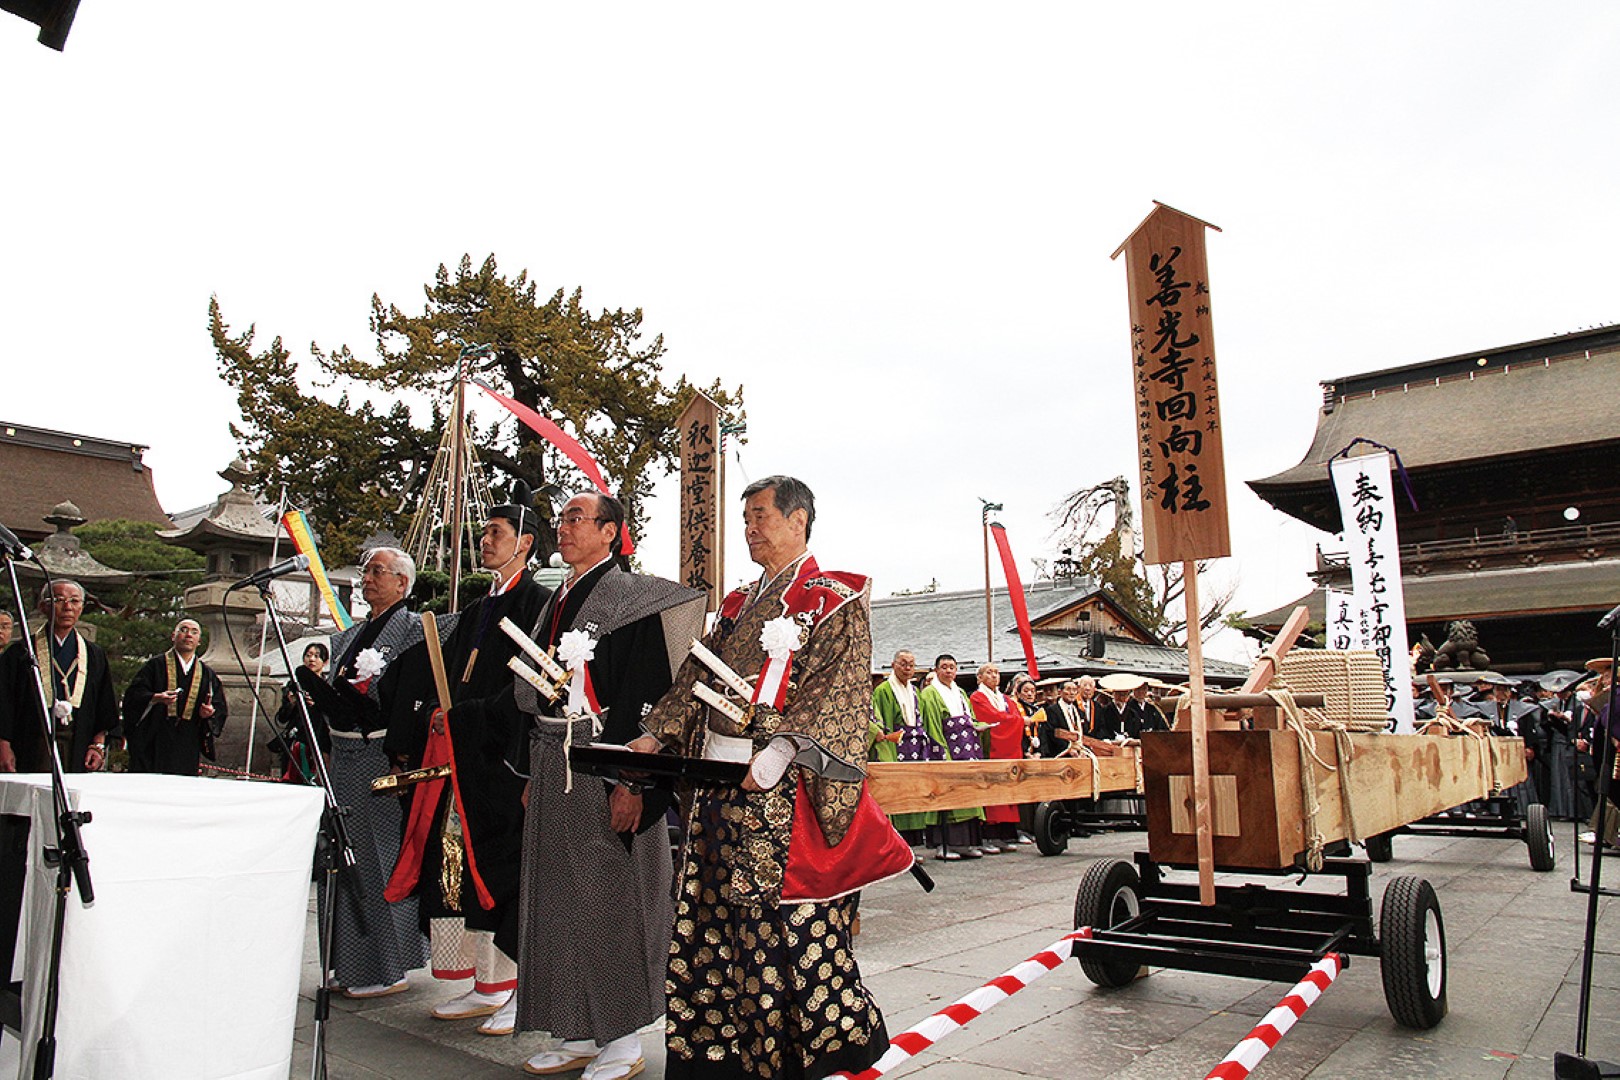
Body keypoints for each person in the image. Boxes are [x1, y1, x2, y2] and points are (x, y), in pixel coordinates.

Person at [633, 475, 905, 1080]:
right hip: (717, 785)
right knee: (709, 922)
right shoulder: (735, 604)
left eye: (760, 516)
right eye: (747, 518)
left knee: (779, 926)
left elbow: (840, 687)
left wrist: (784, 747)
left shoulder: (835, 599)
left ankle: (812, 1056)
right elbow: (695, 678)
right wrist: (658, 730)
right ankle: (719, 1056)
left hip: (780, 793)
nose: (750, 528)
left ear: (799, 519)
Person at [505, 492, 705, 1079]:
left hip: (606, 765)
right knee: (558, 899)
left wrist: (635, 784)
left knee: (611, 900)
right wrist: (530, 774)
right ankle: (573, 1027)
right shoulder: (558, 599)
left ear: (612, 532)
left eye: (576, 519)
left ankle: (621, 1036)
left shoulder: (632, 599)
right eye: (562, 519)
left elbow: (651, 696)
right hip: (554, 760)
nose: (563, 529)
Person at [392, 492, 550, 1026]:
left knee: (502, 868)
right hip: (464, 756)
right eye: (484, 533)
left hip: (505, 756)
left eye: (496, 533)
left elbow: (526, 687)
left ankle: (515, 987)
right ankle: (484, 982)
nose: (485, 541)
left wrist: (468, 717)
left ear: (525, 544)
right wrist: (439, 712)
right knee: (460, 865)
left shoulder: (535, 605)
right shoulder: (479, 608)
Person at [309, 547, 430, 999]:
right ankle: (346, 961)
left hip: (381, 755)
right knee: (338, 857)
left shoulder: (413, 630)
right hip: (342, 756)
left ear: (403, 583)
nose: (369, 578)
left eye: (379, 571)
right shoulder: (348, 637)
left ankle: (387, 965)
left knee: (379, 858)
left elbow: (416, 696)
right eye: (366, 571)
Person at [0, 580, 116, 773]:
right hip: (31, 738)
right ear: (43, 606)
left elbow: (104, 702)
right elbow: (4, 702)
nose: (67, 607)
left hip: (78, 738)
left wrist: (98, 744)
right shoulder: (20, 652)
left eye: (74, 601)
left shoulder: (94, 654)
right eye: (59, 600)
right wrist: (3, 744)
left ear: (81, 607)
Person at [122, 618, 228, 775]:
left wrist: (209, 713)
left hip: (187, 741)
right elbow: (133, 696)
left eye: (194, 632)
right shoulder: (155, 666)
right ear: (173, 636)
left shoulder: (207, 674)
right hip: (154, 738)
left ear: (199, 641)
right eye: (183, 630)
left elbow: (219, 708)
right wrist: (156, 697)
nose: (188, 635)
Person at [919, 654, 989, 859]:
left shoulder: (959, 692)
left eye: (952, 667)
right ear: (936, 670)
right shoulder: (930, 694)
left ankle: (967, 843)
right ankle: (946, 844)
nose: (948, 671)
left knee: (969, 793)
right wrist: (941, 752)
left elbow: (970, 718)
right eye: (944, 667)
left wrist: (977, 727)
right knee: (948, 794)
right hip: (948, 746)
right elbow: (932, 724)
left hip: (967, 748)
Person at [870, 649, 931, 844]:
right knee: (897, 793)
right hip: (897, 746)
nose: (907, 668)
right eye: (903, 664)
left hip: (915, 745)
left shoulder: (915, 691)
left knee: (914, 791)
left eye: (911, 665)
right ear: (893, 665)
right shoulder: (883, 690)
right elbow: (884, 721)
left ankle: (916, 840)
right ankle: (899, 841)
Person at [970, 663, 1025, 853]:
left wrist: (1013, 720)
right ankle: (990, 836)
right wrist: (1016, 721)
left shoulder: (1005, 699)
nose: (994, 676)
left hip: (1009, 750)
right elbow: (991, 717)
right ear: (979, 678)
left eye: (996, 672)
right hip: (992, 748)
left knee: (1008, 793)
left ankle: (1005, 834)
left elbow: (1012, 716)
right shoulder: (977, 697)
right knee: (992, 793)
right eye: (989, 672)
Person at [1039, 679, 1084, 758]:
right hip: (1060, 753)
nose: (1072, 693)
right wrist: (1068, 749)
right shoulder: (1052, 710)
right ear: (1060, 692)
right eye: (1068, 689)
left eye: (1074, 690)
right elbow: (1051, 733)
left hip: (1079, 752)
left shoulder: (1079, 712)